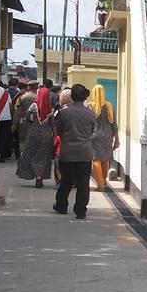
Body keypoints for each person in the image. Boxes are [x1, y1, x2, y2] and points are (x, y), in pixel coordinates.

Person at [53, 85, 96, 219]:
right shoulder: (91, 113)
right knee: (83, 183)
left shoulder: (64, 113)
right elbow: (92, 131)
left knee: (66, 181)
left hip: (68, 152)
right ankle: (80, 210)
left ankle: (61, 205)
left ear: (72, 97)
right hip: (85, 153)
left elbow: (59, 130)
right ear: (85, 97)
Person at [15, 86, 55, 188]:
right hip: (46, 136)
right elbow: (53, 124)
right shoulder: (50, 109)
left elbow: (28, 119)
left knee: (31, 155)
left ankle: (33, 174)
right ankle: (39, 177)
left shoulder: (33, 106)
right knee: (43, 157)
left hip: (34, 133)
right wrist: (55, 136)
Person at [88, 84, 118, 191]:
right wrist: (117, 139)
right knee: (105, 159)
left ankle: (100, 184)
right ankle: (103, 180)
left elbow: (88, 123)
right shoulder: (109, 106)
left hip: (94, 135)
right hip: (108, 136)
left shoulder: (90, 106)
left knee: (96, 159)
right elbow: (114, 124)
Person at [13, 81, 36, 161]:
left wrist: (14, 123)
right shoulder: (39, 97)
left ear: (29, 87)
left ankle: (23, 154)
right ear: (36, 87)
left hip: (24, 121)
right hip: (36, 121)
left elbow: (18, 111)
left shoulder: (22, 97)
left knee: (22, 139)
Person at [0, 80, 15, 161]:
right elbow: (10, 106)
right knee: (5, 138)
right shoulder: (6, 93)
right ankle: (3, 156)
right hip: (6, 118)